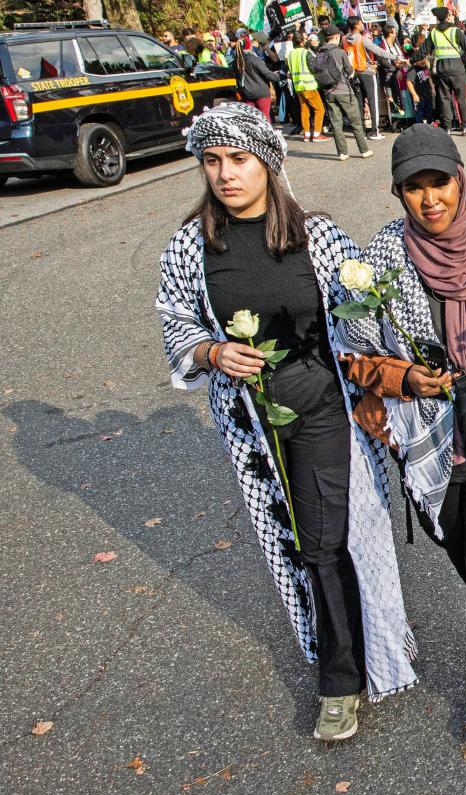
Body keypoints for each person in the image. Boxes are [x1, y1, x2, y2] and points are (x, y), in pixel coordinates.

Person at [156, 103, 418, 742]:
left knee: (327, 542)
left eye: (239, 160)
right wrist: (212, 352)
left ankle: (342, 680)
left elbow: (359, 316)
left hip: (324, 414)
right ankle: (341, 660)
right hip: (252, 426)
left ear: (268, 164)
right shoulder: (192, 246)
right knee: (302, 546)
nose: (225, 175)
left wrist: (383, 379)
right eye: (212, 162)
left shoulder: (317, 235)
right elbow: (176, 322)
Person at [338, 125, 466, 746]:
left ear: (461, 178)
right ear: (398, 192)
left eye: (440, 182)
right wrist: (401, 376)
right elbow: (352, 353)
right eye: (414, 188)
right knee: (457, 542)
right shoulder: (379, 261)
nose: (430, 199)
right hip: (423, 436)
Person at [429, 6, 466, 135]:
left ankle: (448, 128)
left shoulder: (433, 32)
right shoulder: (455, 31)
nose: (451, 16)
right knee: (461, 98)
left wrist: (409, 61)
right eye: (450, 14)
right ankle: (465, 127)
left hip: (442, 70)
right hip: (456, 68)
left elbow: (423, 50)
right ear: (447, 17)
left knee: (444, 99)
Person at [318, 26, 373, 161]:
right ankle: (364, 150)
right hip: (343, 90)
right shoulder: (340, 52)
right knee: (355, 121)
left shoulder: (319, 52)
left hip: (327, 91)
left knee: (336, 124)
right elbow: (350, 72)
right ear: (336, 37)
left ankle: (342, 153)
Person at [287, 30, 327, 142]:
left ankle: (307, 134)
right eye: (305, 39)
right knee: (319, 110)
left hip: (298, 86)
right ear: (301, 41)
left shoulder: (290, 54)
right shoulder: (306, 53)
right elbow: (313, 68)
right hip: (309, 85)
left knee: (305, 110)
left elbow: (290, 69)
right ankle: (317, 134)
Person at [236, 30, 280, 120]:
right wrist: (281, 76)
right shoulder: (254, 59)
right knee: (264, 118)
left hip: (246, 93)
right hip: (261, 93)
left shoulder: (236, 61)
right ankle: (267, 134)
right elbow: (267, 73)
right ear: (249, 45)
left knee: (253, 119)